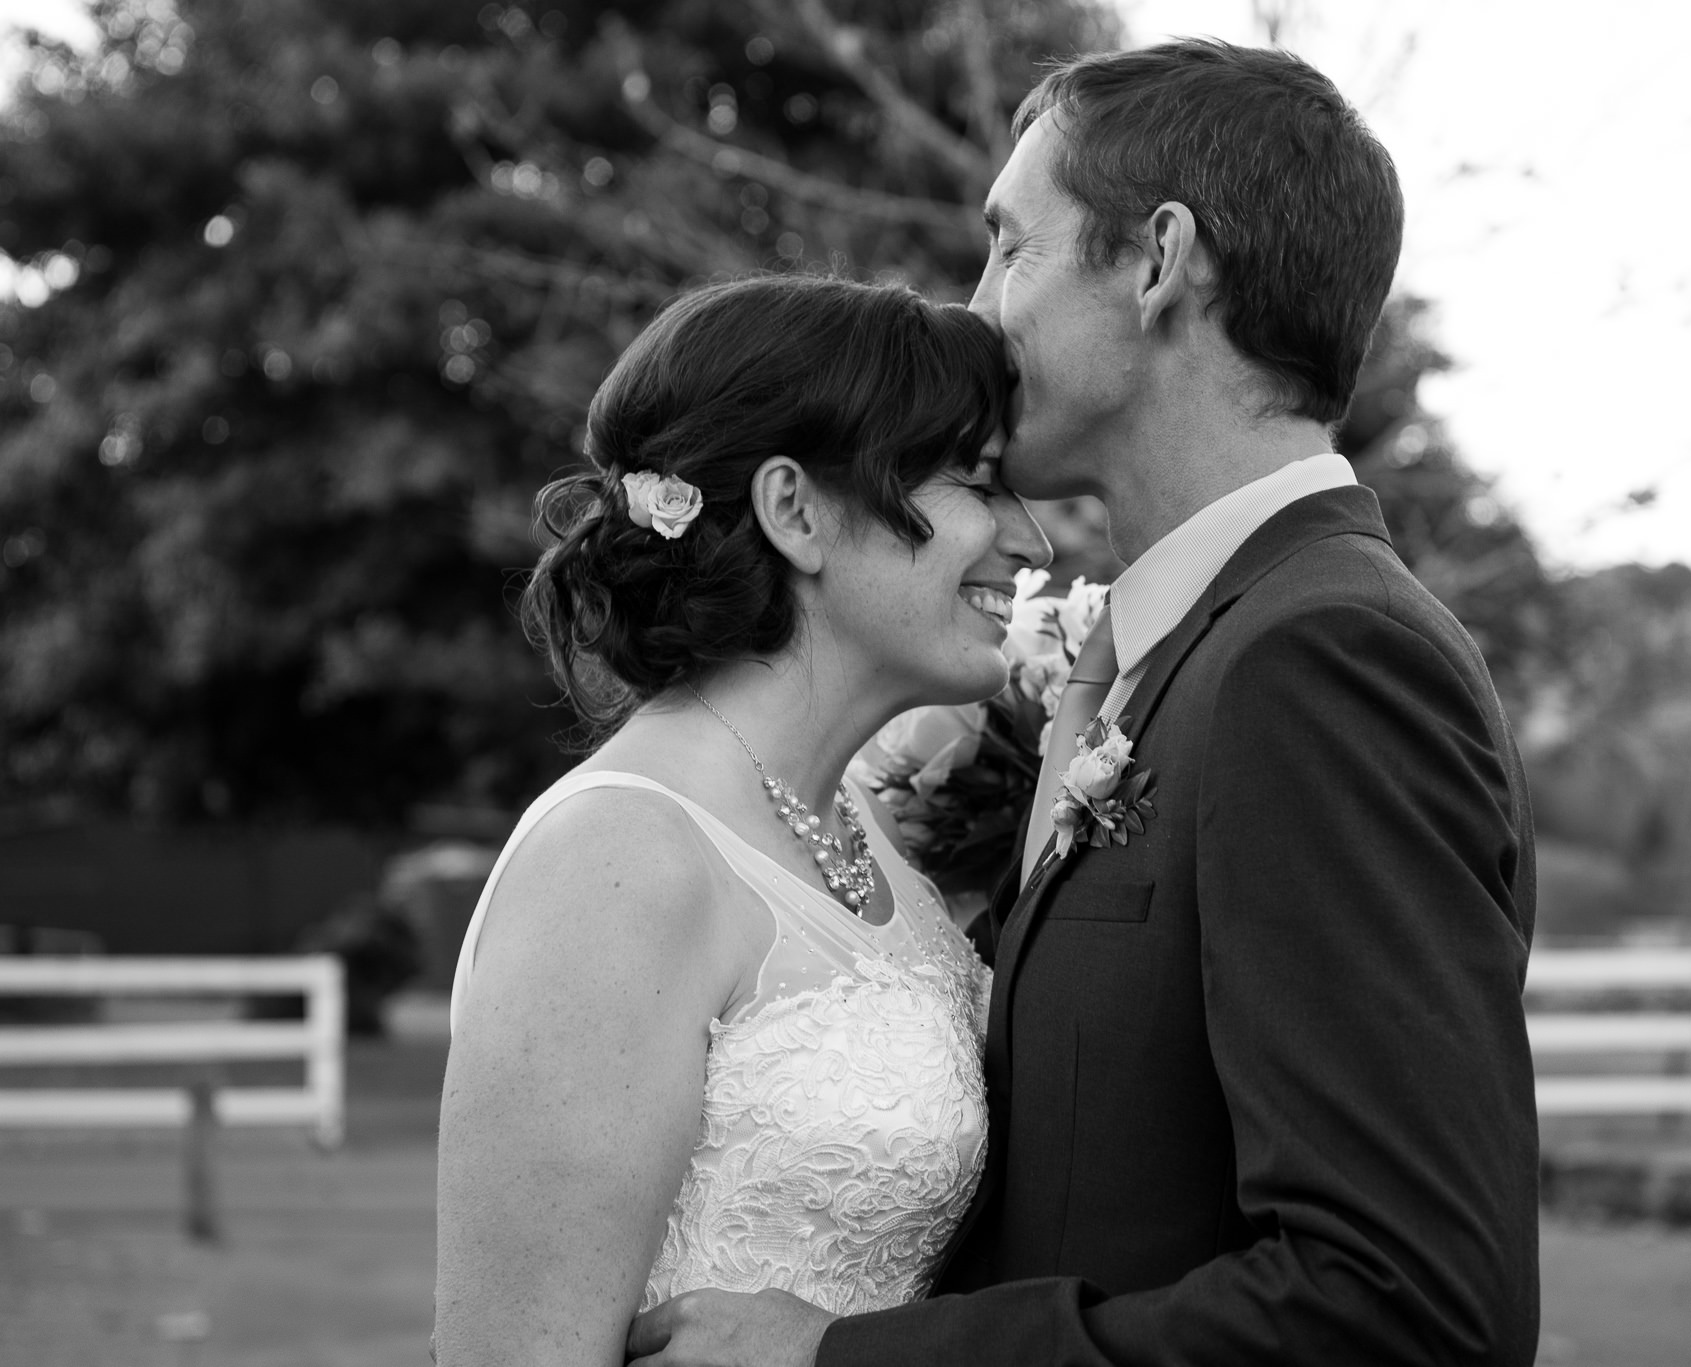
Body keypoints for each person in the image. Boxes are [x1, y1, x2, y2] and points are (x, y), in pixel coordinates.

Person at [628, 39, 1541, 1367]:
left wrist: (845, 1357)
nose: (979, 306)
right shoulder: (1178, 656)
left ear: (1159, 261)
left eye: (1010, 246)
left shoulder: (1325, 659)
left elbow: (1400, 1311)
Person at [432, 274, 1051, 1366]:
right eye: (977, 482)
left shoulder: (872, 842)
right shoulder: (620, 861)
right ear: (794, 509)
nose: (1030, 540)